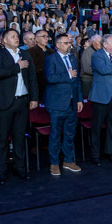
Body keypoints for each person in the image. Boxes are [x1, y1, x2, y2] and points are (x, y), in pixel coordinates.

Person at [0, 29, 38, 183]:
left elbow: (32, 77)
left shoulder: (25, 54)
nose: (16, 38)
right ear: (4, 41)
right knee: (2, 139)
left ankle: (20, 167)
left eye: (17, 36)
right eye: (12, 36)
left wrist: (34, 98)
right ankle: (1, 170)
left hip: (22, 101)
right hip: (5, 102)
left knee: (19, 137)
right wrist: (18, 67)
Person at [42, 33, 83, 175]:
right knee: (55, 135)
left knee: (70, 134)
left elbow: (77, 81)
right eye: (66, 43)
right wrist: (68, 75)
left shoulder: (73, 58)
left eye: (69, 43)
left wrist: (79, 99)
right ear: (58, 45)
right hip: (57, 103)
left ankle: (68, 160)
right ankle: (54, 163)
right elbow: (50, 78)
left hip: (72, 102)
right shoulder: (51, 59)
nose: (69, 45)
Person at [89, 34, 112, 163]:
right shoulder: (97, 55)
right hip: (102, 96)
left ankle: (109, 151)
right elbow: (104, 70)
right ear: (105, 44)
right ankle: (95, 155)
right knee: (97, 126)